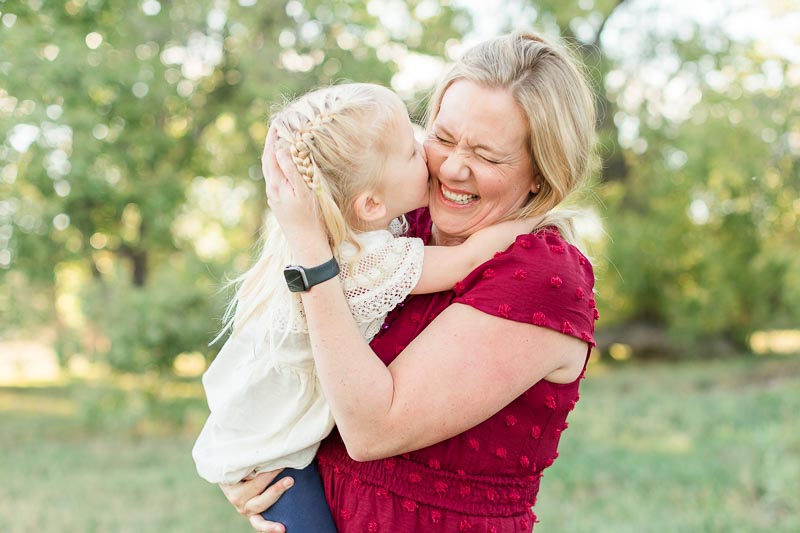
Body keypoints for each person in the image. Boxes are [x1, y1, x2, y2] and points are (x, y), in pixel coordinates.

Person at [223, 30, 599, 532]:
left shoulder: (540, 275)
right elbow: (296, 363)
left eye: (487, 156)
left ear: (541, 173)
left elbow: (371, 431)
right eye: (441, 138)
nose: (452, 167)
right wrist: (254, 465)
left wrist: (312, 251)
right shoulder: (401, 228)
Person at [192, 82, 535, 532]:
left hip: (268, 434)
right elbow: (467, 259)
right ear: (371, 203)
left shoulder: (323, 230)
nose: (426, 153)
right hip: (276, 456)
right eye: (416, 152)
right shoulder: (365, 260)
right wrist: (537, 213)